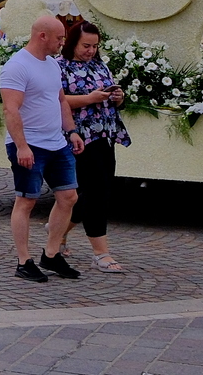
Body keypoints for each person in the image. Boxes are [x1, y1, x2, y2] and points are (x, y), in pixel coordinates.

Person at [0, 15, 87, 282]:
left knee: (69, 197)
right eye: (59, 38)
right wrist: (22, 146)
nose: (62, 43)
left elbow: (60, 100)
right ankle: (23, 261)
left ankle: (51, 254)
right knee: (26, 201)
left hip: (56, 142)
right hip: (29, 144)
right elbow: (10, 109)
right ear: (42, 36)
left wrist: (71, 131)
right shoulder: (17, 66)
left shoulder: (52, 64)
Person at [53, 20, 129, 273]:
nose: (91, 51)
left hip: (105, 135)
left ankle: (58, 231)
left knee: (93, 192)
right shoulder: (59, 67)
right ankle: (100, 253)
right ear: (73, 43)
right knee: (95, 192)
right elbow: (57, 101)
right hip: (78, 137)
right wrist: (89, 98)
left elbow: (112, 99)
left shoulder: (99, 65)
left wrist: (117, 97)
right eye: (86, 45)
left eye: (95, 46)